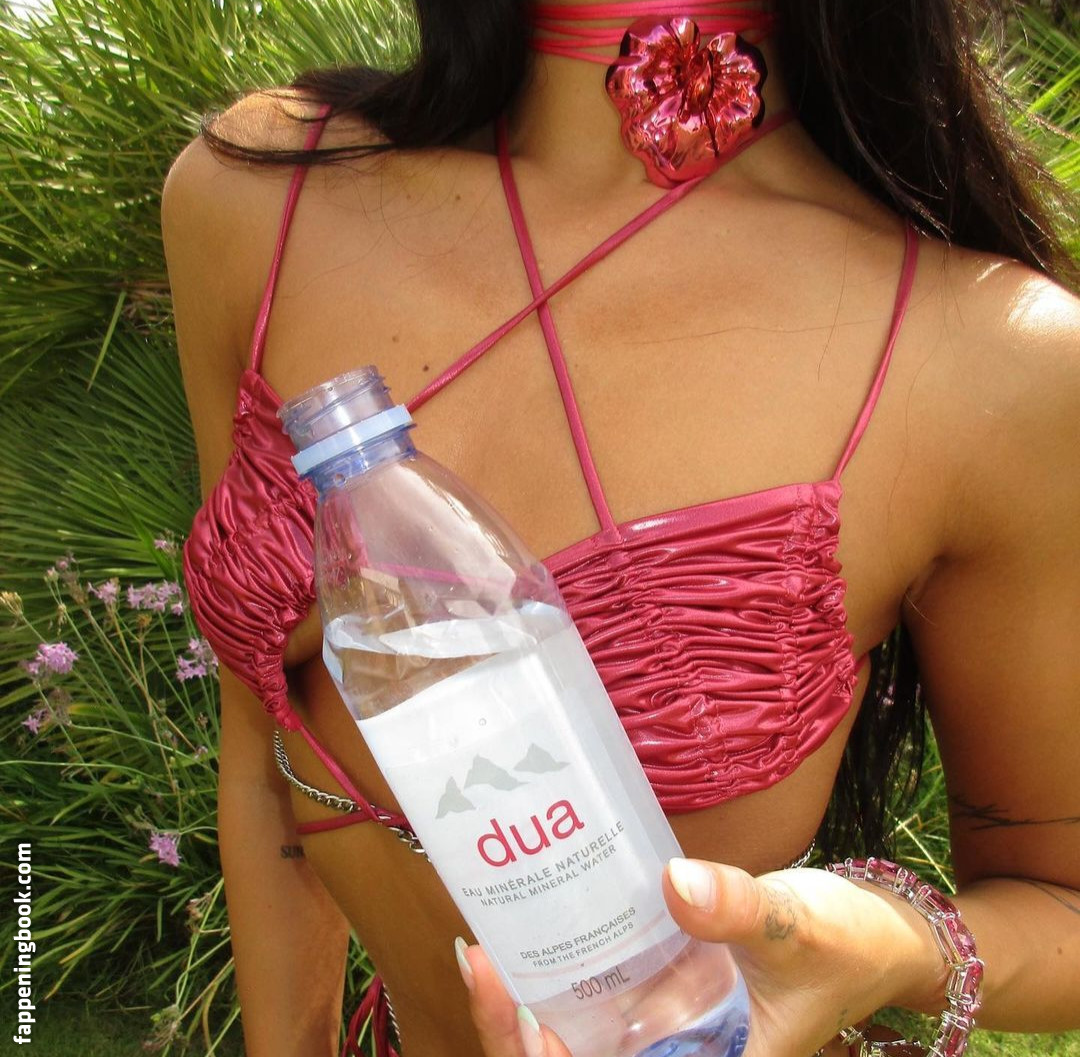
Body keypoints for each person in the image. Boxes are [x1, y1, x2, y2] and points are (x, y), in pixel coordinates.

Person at [160, 1, 1080, 1055]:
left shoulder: (996, 356)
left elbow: (1063, 901)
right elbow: (262, 739)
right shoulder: (259, 196)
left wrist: (888, 945)